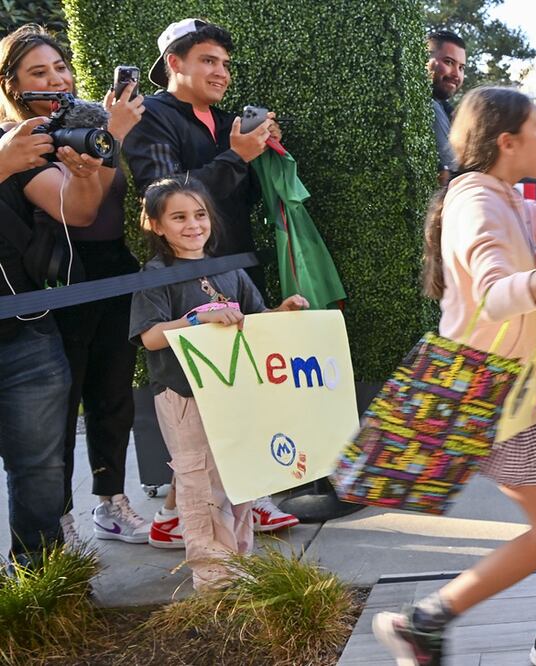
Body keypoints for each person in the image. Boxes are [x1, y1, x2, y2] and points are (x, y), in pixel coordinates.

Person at [372, 86, 536, 666]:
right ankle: (425, 622)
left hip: (516, 386)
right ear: (506, 142)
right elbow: (493, 293)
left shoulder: (502, 196)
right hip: (490, 391)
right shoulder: (477, 205)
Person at [0, 24, 149, 546]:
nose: (57, 78)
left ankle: (111, 501)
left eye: (60, 67)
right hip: (59, 282)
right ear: (13, 86)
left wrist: (102, 142)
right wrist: (115, 138)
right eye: (39, 72)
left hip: (111, 268)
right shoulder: (18, 141)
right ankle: (56, 518)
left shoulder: (85, 118)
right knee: (55, 413)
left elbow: (99, 201)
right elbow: (78, 213)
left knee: (113, 394)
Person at [128, 176, 308, 590]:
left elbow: (253, 318)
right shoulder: (155, 275)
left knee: (240, 478)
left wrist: (283, 311)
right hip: (185, 396)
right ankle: (215, 582)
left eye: (199, 214)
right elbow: (149, 336)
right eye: (178, 217)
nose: (193, 225)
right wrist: (196, 319)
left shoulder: (225, 268)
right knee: (200, 485)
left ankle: (240, 569)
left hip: (234, 393)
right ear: (156, 225)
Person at [0, 109, 107, 568]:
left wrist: (86, 175)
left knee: (41, 471)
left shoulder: (11, 142)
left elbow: (78, 211)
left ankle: (39, 588)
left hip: (27, 333)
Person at [122, 18, 280, 286]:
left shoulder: (229, 122)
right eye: (208, 61)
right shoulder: (148, 115)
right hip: (189, 283)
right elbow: (162, 196)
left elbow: (245, 198)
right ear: (174, 62)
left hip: (244, 273)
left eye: (225, 64)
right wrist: (238, 156)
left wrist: (264, 149)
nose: (222, 73)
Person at [427, 29, 466, 185]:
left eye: (462, 67)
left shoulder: (445, 108)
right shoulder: (431, 107)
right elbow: (451, 174)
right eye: (449, 62)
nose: (457, 74)